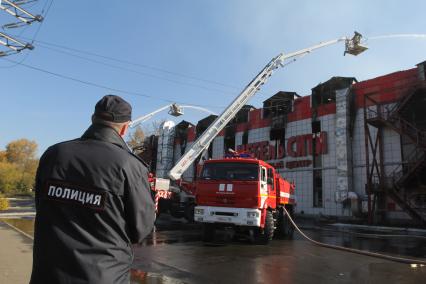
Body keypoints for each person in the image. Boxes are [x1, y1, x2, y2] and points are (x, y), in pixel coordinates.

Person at [30, 95, 155, 284]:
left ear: (93, 119)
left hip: (48, 274)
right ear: (125, 127)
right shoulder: (129, 166)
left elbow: (41, 206)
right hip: (103, 276)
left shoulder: (53, 155)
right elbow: (141, 229)